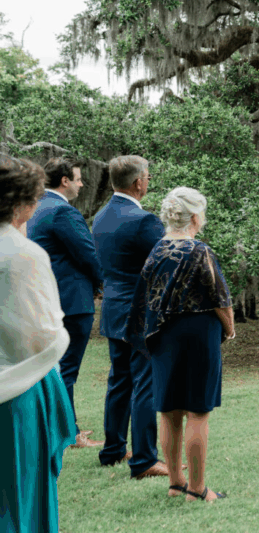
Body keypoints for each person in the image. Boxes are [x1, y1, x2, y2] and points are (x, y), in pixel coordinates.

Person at [125, 187, 234, 502]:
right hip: (198, 333)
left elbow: (144, 298)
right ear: (196, 217)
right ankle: (198, 490)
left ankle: (175, 484)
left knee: (169, 410)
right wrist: (229, 329)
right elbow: (220, 298)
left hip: (163, 335)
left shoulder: (156, 250)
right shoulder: (200, 251)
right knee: (198, 411)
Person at [1, 156, 77, 532]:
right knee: (21, 496)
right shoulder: (21, 254)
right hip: (17, 392)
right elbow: (44, 334)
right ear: (18, 204)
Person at [93, 156, 169, 478]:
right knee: (144, 383)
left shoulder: (100, 217)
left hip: (112, 308)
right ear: (138, 182)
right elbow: (169, 263)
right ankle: (144, 460)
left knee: (119, 380)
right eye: (147, 177)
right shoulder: (144, 221)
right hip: (140, 313)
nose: (149, 181)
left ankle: (112, 450)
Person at [26, 157, 104, 449]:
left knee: (54, 367)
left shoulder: (36, 208)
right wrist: (100, 283)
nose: (83, 184)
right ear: (65, 181)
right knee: (66, 369)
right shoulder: (62, 212)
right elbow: (88, 255)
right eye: (79, 179)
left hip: (46, 298)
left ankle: (55, 428)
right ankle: (69, 433)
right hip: (71, 302)